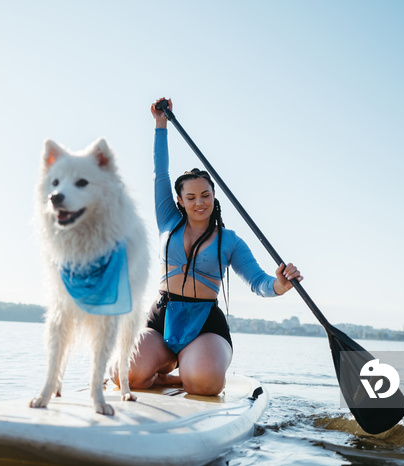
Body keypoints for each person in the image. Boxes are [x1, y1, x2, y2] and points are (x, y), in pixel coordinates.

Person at [126, 97, 303, 396]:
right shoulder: (167, 221)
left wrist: (280, 285)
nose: (200, 203)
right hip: (162, 316)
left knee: (204, 385)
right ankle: (172, 369)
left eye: (206, 195)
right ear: (180, 200)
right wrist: (160, 124)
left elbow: (259, 282)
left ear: (214, 196)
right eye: (192, 197)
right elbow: (160, 173)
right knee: (127, 374)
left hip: (205, 322)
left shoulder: (229, 240)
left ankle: (191, 367)